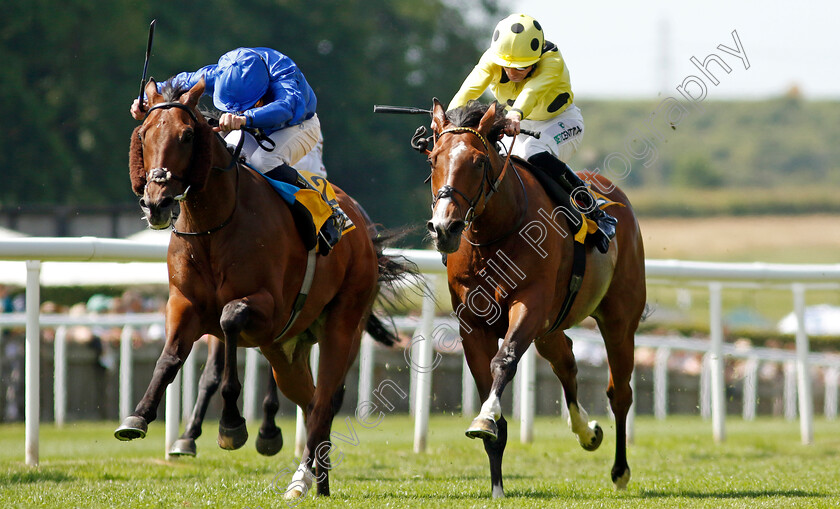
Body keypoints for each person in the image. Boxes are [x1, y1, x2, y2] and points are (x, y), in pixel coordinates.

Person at [447, 13, 616, 253]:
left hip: (562, 122)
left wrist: (514, 114)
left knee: (533, 153)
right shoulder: (493, 59)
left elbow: (531, 93)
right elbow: (468, 90)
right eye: (508, 66)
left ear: (535, 60)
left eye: (522, 67)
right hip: (521, 125)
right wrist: (447, 120)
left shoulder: (552, 60)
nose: (513, 72)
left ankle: (593, 210)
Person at [130, 46, 326, 178]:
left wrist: (244, 118)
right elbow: (179, 82)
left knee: (262, 162)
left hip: (298, 127)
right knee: (223, 162)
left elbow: (285, 109)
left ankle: (319, 212)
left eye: (245, 104)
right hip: (253, 127)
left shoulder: (285, 79)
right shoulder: (223, 73)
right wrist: (145, 100)